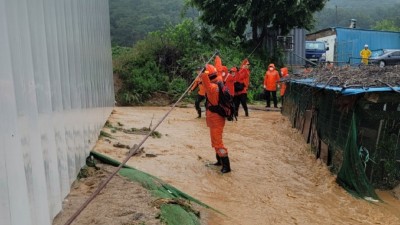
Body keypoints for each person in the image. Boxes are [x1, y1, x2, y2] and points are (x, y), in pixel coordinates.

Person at [201, 64, 231, 173]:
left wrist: (203, 73)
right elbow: (218, 68)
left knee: (218, 143)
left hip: (216, 120)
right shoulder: (219, 81)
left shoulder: (212, 88)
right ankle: (220, 162)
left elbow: (206, 84)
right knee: (215, 141)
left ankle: (226, 166)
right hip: (216, 119)